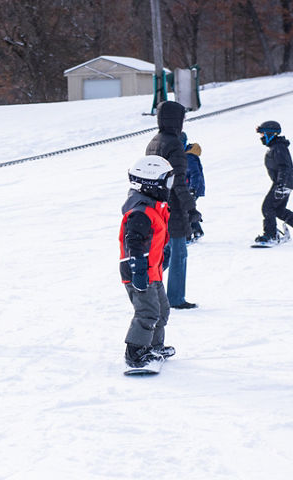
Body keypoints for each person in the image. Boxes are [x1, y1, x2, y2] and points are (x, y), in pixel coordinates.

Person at [120, 155, 176, 372]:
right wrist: (138, 270)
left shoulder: (154, 207)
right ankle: (135, 353)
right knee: (147, 312)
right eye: (166, 181)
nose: (169, 186)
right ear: (151, 182)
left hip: (152, 271)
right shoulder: (140, 211)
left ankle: (153, 346)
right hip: (139, 271)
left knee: (162, 310)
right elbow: (133, 242)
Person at [146, 101, 200, 310]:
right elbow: (179, 181)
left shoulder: (154, 141)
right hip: (173, 207)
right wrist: (191, 208)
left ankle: (148, 288)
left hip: (155, 204)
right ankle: (176, 298)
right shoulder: (175, 144)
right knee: (179, 253)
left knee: (163, 252)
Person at [254, 121, 293, 245]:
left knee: (268, 207)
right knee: (278, 209)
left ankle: (271, 235)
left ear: (270, 134)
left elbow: (284, 167)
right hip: (283, 182)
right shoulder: (276, 147)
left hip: (282, 183)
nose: (261, 137)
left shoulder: (279, 148)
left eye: (263, 134)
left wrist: (281, 185)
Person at [183, 135, 205, 243]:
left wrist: (192, 189)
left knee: (185, 209)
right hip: (189, 188)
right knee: (188, 209)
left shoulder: (189, 157)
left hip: (192, 188)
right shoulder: (186, 156)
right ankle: (197, 230)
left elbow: (195, 174)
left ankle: (188, 234)